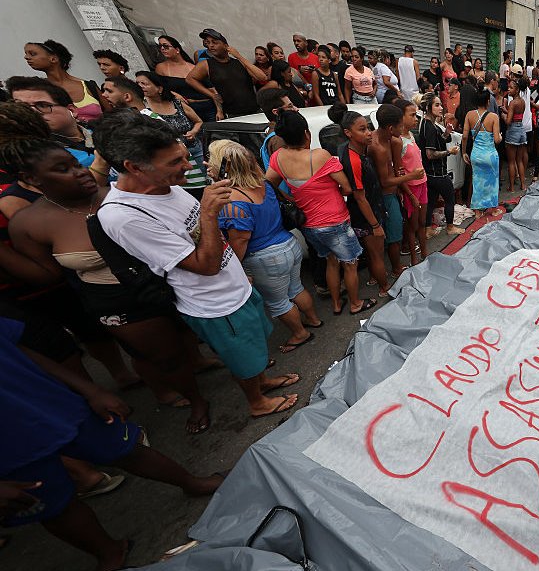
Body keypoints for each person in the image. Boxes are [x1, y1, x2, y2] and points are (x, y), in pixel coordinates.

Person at [1, 103, 213, 433]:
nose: (79, 172)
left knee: (185, 333)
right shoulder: (29, 224)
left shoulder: (119, 195)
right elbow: (48, 278)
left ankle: (197, 364)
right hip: (114, 298)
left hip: (161, 280)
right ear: (31, 179)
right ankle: (194, 399)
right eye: (63, 170)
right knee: (158, 354)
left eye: (75, 163)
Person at [94, 111, 301, 419]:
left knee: (255, 349)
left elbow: (212, 238)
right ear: (134, 167)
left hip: (237, 286)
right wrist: (208, 211)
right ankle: (257, 402)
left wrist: (239, 269)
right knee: (241, 358)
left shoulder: (166, 186)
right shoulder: (123, 217)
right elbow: (205, 265)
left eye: (184, 156)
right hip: (216, 304)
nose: (188, 166)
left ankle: (263, 382)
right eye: (175, 163)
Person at [0, 315, 225, 571]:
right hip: (10, 449)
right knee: (53, 506)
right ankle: (108, 551)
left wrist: (89, 389)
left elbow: (22, 350)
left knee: (127, 449)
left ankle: (191, 482)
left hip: (54, 407)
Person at [211, 139, 321, 353]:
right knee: (296, 288)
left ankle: (300, 333)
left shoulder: (232, 201)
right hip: (289, 245)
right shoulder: (263, 183)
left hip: (265, 257)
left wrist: (235, 267)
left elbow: (240, 240)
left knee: (278, 302)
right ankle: (313, 320)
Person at [264, 110, 373, 317]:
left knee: (331, 262)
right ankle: (356, 303)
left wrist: (291, 199)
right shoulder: (320, 156)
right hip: (335, 221)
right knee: (350, 264)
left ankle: (336, 304)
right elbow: (347, 188)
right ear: (307, 134)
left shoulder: (278, 157)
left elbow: (268, 183)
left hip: (309, 224)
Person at [6, 76, 110, 181]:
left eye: (42, 105)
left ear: (72, 110)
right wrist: (101, 166)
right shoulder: (34, 158)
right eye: (24, 108)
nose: (33, 113)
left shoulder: (107, 130)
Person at [134, 71, 207, 199]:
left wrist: (193, 131)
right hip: (176, 156)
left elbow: (199, 121)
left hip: (196, 149)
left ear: (159, 88)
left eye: (144, 83)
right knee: (192, 190)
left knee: (208, 181)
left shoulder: (176, 103)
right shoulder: (145, 112)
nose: (141, 87)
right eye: (138, 84)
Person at [366, 104, 415, 277]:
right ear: (390, 128)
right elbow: (385, 181)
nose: (403, 129)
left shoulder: (394, 141)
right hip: (383, 196)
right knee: (392, 237)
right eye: (400, 126)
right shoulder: (376, 147)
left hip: (394, 193)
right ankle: (395, 269)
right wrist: (411, 177)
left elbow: (397, 169)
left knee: (395, 233)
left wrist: (406, 191)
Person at [186, 29, 265, 120]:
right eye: (207, 43)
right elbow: (190, 79)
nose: (210, 46)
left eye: (214, 42)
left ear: (225, 46)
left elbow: (262, 77)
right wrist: (212, 95)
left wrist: (238, 56)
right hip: (232, 113)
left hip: (255, 110)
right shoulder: (206, 64)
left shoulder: (239, 62)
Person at [23, 39, 108, 124]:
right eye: (26, 54)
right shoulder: (39, 90)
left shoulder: (89, 86)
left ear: (53, 59)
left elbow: (113, 115)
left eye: (33, 54)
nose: (26, 57)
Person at [417, 92, 464, 238]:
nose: (441, 108)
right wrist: (448, 152)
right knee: (450, 198)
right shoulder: (429, 127)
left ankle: (427, 228)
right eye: (437, 105)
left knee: (431, 201)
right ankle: (450, 227)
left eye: (440, 105)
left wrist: (446, 133)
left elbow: (437, 141)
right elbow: (430, 154)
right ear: (429, 107)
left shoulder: (429, 124)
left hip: (431, 173)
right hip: (437, 173)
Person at [395, 99, 432, 265]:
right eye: (412, 115)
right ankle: (414, 259)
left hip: (422, 184)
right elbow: (398, 171)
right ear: (401, 117)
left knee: (422, 222)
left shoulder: (410, 135)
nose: (416, 118)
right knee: (413, 225)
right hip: (411, 188)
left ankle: (425, 253)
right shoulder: (397, 142)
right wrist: (409, 194)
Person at [462, 86, 503, 218]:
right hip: (490, 155)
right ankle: (493, 209)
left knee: (477, 182)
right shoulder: (493, 117)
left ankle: (478, 210)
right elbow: (497, 140)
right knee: (492, 181)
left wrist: (463, 152)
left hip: (476, 154)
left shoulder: (469, 115)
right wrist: (501, 136)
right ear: (488, 101)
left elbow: (464, 136)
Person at [155, 35, 216, 122]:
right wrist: (174, 94)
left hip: (208, 106)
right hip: (187, 108)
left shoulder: (193, 67)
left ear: (177, 50)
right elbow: (159, 87)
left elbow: (211, 89)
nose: (162, 49)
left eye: (165, 46)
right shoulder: (161, 68)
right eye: (159, 46)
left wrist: (219, 109)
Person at [502, 78, 529, 191]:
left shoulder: (513, 103)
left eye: (511, 88)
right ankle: (523, 185)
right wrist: (508, 111)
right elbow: (517, 116)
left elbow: (508, 121)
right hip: (521, 129)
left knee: (511, 161)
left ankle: (512, 187)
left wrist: (503, 114)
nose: (508, 89)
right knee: (519, 160)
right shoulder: (522, 101)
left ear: (517, 90)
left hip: (513, 130)